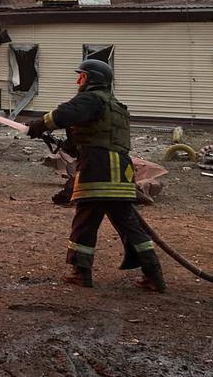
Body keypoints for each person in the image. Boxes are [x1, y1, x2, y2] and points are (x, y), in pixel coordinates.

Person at [25, 59, 166, 292]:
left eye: (81, 76)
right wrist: (56, 140)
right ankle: (154, 275)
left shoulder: (92, 99)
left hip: (98, 170)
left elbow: (64, 114)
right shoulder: (114, 106)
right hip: (120, 170)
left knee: (86, 221)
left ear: (92, 79)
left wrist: (38, 125)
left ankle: (81, 273)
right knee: (129, 225)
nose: (77, 81)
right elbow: (92, 140)